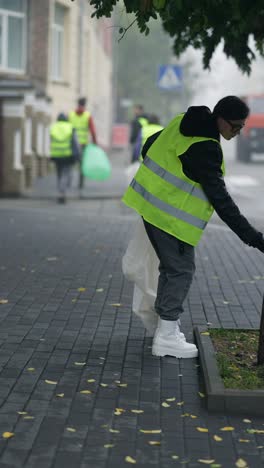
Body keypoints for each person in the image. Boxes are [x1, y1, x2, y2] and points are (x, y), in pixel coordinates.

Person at [122, 96, 264, 359]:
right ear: (220, 119)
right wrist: (254, 238)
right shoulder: (206, 148)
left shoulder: (181, 123)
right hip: (170, 218)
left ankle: (166, 328)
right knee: (180, 271)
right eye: (235, 126)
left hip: (151, 206)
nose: (238, 132)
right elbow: (221, 201)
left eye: (242, 127)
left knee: (172, 269)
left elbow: (148, 147)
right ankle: (165, 337)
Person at [69, 97, 97, 196]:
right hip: (83, 144)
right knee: (81, 165)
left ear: (77, 103)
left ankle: (68, 181)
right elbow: (92, 130)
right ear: (85, 104)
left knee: (71, 162)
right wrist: (94, 142)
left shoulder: (71, 115)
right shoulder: (87, 115)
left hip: (72, 143)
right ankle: (80, 184)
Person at [50, 113, 80, 204]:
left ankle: (60, 191)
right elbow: (75, 142)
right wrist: (78, 154)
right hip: (67, 155)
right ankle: (62, 193)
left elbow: (49, 140)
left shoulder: (53, 127)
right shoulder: (70, 127)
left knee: (59, 173)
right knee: (65, 174)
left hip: (56, 155)